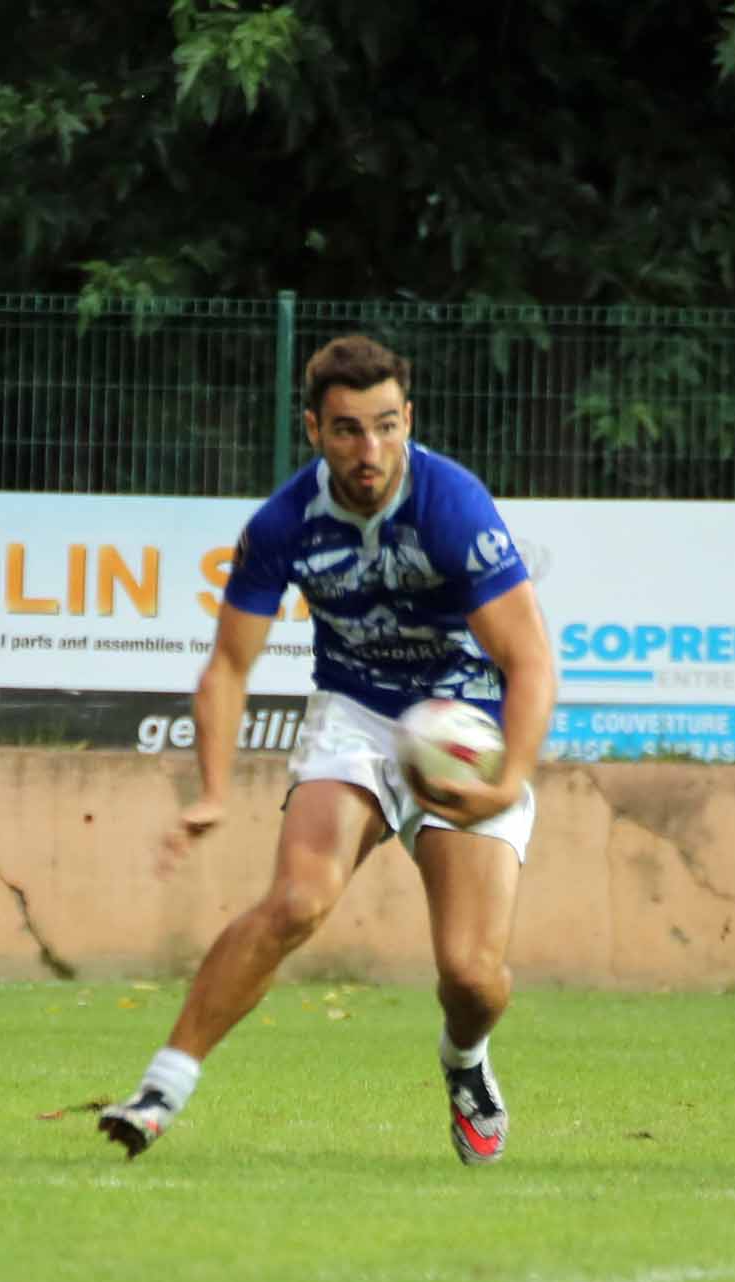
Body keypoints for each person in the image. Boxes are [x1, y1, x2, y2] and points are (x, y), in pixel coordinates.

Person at [98, 335, 557, 1164]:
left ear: (408, 418)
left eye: (385, 426)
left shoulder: (452, 506)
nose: (368, 450)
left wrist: (507, 781)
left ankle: (464, 1061)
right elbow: (227, 667)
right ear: (313, 428)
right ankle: (161, 1088)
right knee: (297, 901)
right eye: (347, 429)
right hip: (355, 715)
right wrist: (212, 790)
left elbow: (529, 658)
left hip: (464, 725)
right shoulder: (283, 523)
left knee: (470, 975)